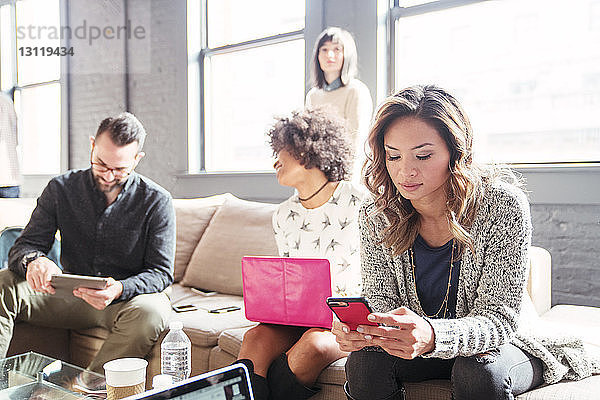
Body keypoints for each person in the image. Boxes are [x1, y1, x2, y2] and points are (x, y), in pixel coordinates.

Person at [332, 85, 599, 400]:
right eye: (393, 155)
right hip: (422, 344)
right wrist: (365, 331)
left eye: (423, 155)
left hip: (501, 344)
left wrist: (433, 335)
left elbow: (500, 319)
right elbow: (382, 302)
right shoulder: (379, 212)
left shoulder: (502, 205)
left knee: (478, 372)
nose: (405, 170)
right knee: (363, 362)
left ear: (456, 152)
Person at [0, 112, 175, 373]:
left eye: (120, 170)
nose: (107, 176)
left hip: (124, 301)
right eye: (101, 164)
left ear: (137, 159)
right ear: (92, 145)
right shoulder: (61, 189)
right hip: (69, 295)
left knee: (154, 309)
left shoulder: (157, 201)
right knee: (4, 282)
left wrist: (119, 289)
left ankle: (84, 390)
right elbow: (24, 247)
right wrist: (34, 261)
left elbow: (161, 274)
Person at [236, 108, 365, 400]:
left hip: (346, 322)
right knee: (254, 338)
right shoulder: (283, 215)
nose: (275, 161)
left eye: (281, 152)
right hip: (298, 318)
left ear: (305, 152)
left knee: (313, 346)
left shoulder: (359, 204)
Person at [305, 27, 373, 180]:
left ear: (346, 54)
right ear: (317, 55)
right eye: (324, 49)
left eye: (337, 49)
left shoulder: (356, 90)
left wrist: (345, 178)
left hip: (347, 173)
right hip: (318, 171)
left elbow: (356, 141)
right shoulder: (313, 96)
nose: (330, 55)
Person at [0, 92, 21, 198]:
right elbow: (15, 138)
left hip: (8, 179)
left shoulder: (5, 101)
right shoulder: (6, 100)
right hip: (9, 177)